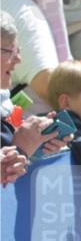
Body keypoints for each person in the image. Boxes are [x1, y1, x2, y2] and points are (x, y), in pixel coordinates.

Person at [1, 11, 57, 159]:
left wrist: (38, 139)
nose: (18, 59)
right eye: (9, 50)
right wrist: (20, 149)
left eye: (17, 50)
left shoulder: (4, 102)